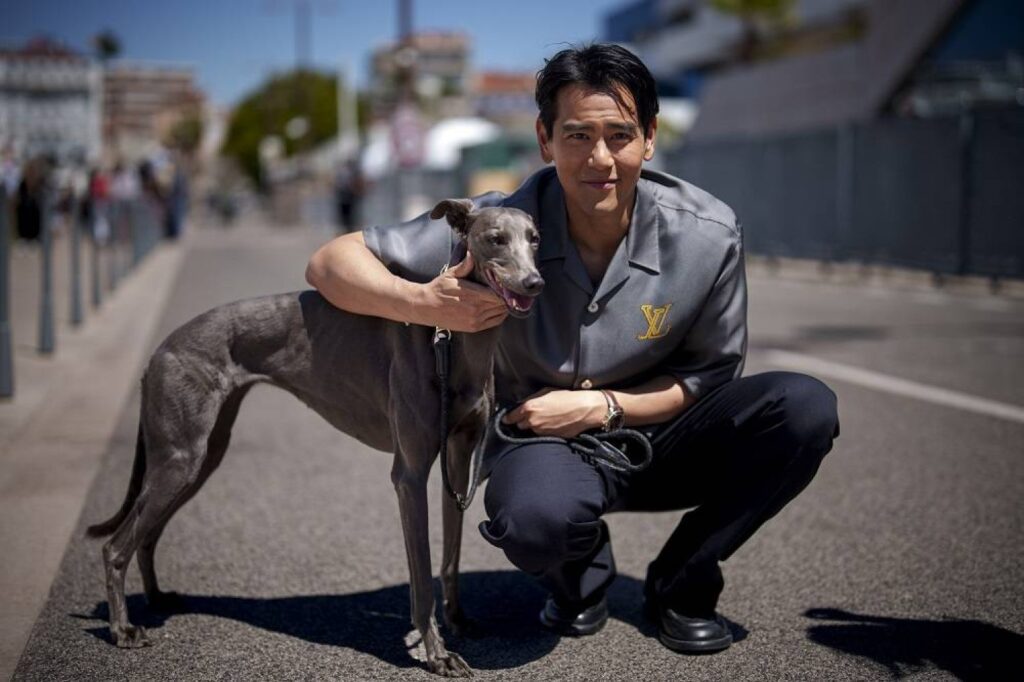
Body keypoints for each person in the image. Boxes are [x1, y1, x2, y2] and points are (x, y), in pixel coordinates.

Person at [305, 43, 839, 655]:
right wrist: (423, 304)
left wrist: (603, 407)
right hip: (543, 444)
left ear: (650, 138)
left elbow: (709, 377)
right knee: (533, 516)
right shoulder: (499, 222)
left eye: (620, 134)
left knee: (803, 408)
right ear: (544, 139)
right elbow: (329, 263)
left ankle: (684, 578)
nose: (600, 158)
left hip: (661, 433)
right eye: (578, 135)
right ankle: (578, 576)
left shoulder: (708, 233)